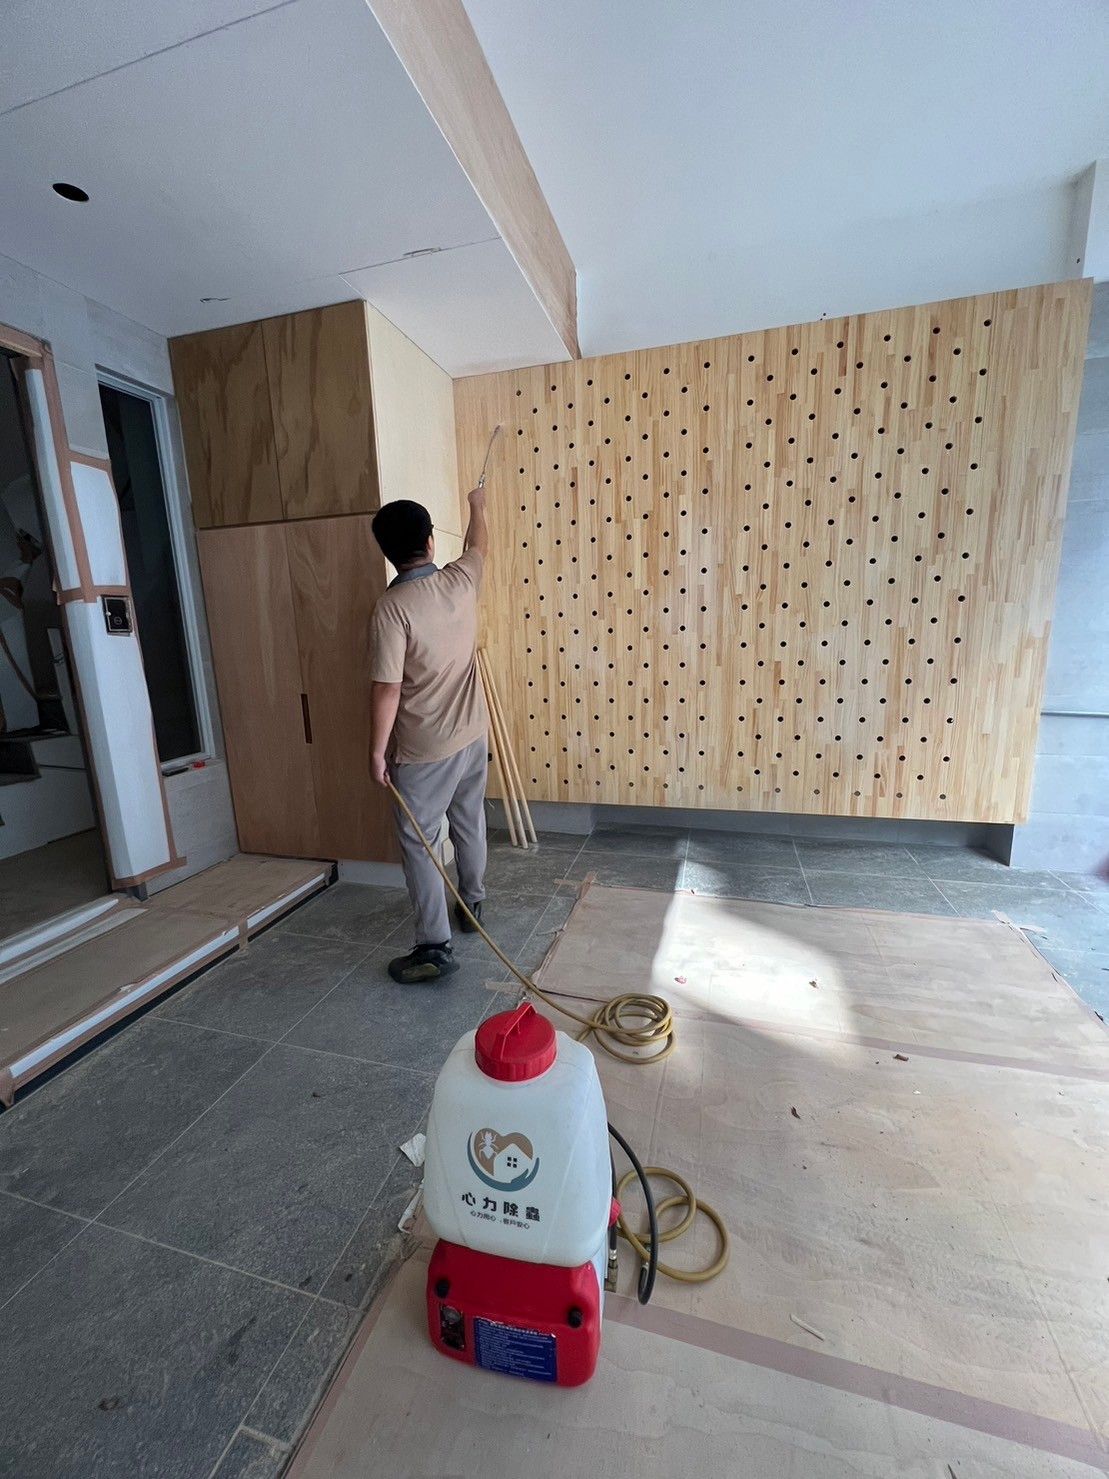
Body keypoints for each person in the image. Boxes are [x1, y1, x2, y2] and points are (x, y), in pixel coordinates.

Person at [368, 485, 489, 983]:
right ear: (431, 542)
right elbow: (479, 546)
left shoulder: (392, 608)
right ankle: (474, 902)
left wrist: (377, 752)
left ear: (386, 552)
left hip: (423, 751)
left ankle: (434, 946)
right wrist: (477, 506)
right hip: (473, 735)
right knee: (469, 818)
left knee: (420, 843)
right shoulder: (461, 580)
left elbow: (387, 690)